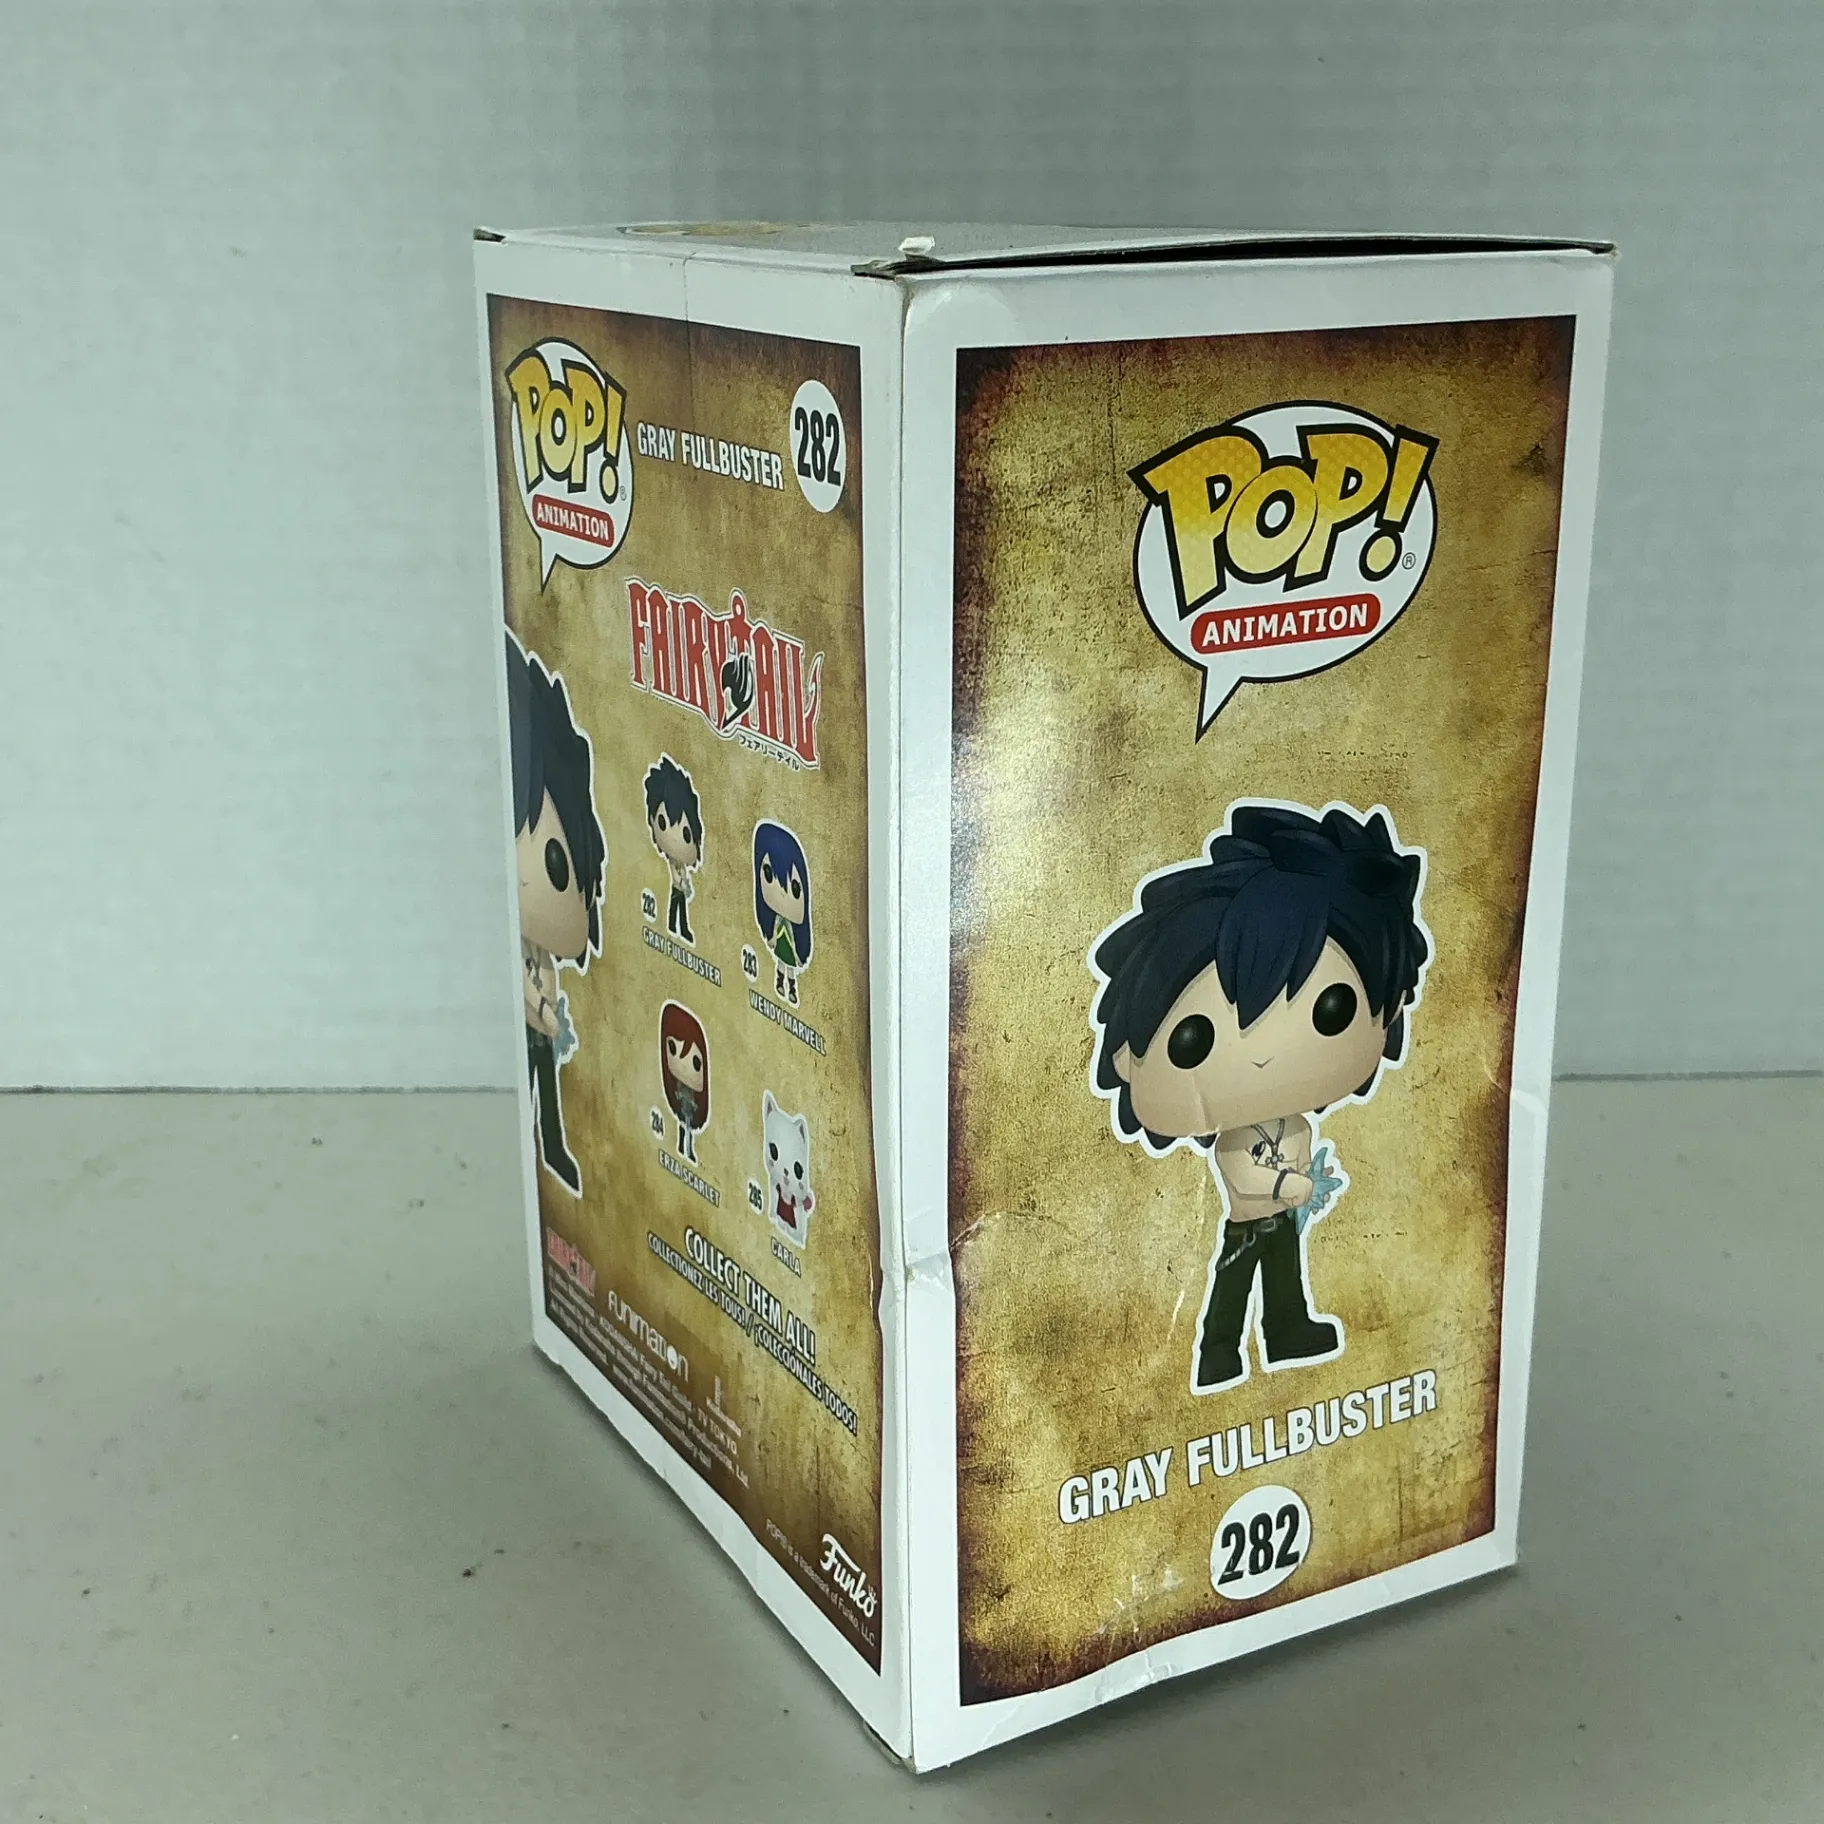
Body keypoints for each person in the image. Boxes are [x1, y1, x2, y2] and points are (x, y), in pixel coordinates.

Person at [1088, 802, 1428, 1392]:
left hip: (1282, 1222)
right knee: (1232, 1286)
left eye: (1332, 1008)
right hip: (1248, 1226)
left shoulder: (1295, 1125)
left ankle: (1287, 1329)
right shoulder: (1234, 1140)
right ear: (1126, 1058)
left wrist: (1307, 1185)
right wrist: (1289, 1186)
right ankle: (1219, 1349)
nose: (1264, 1056)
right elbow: (1244, 1174)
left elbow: (1299, 1164)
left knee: (1285, 1281)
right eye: (1193, 1039)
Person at [507, 631, 606, 1196]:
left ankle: (550, 1144)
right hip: (527, 1023)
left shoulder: (541, 943)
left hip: (541, 1023)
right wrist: (543, 1008)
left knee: (545, 1079)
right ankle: (533, 1146)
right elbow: (525, 984)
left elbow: (545, 969)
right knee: (527, 1078)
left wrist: (548, 1006)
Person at [643, 755, 704, 945]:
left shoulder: (679, 861)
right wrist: (681, 881)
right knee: (677, 905)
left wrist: (684, 880)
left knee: (679, 905)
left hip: (680, 886)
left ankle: (680, 928)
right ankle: (674, 926)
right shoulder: (673, 860)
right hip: (678, 886)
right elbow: (675, 871)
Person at [752, 820, 813, 1006]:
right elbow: (774, 931)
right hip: (781, 947)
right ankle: (780, 983)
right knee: (781, 964)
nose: (781, 892)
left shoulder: (790, 926)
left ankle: (791, 989)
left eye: (794, 888)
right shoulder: (777, 921)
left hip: (789, 948)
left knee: (790, 969)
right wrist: (771, 939)